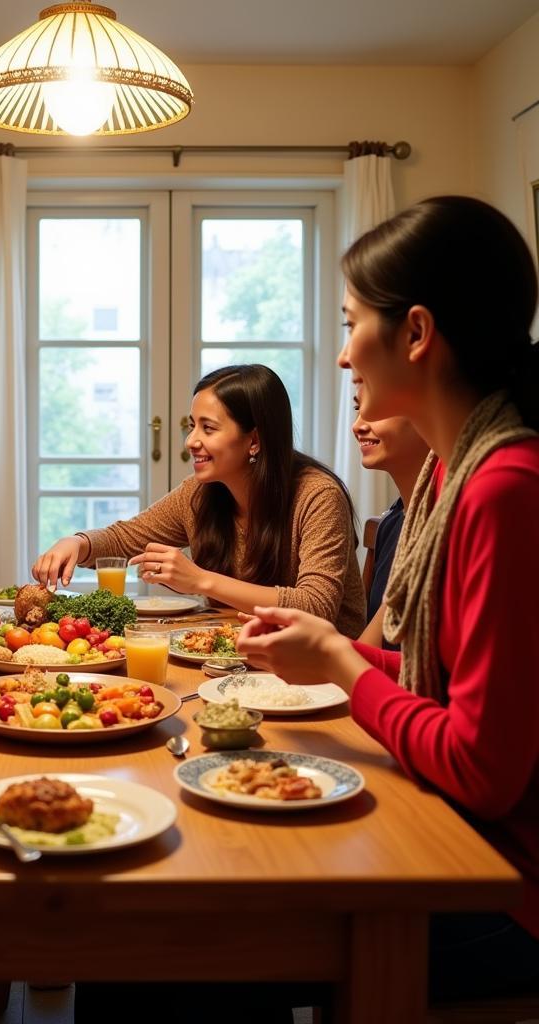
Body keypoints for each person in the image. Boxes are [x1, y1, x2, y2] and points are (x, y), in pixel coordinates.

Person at [239, 195, 539, 1003]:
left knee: (223, 932)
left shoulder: (504, 488)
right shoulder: (451, 472)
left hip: (510, 888)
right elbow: (428, 675)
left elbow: (482, 770)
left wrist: (339, 660)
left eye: (348, 325)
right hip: (453, 830)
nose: (342, 358)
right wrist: (330, 654)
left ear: (415, 333)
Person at [33, 363, 366, 637]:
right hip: (242, 657)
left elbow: (315, 605)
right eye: (193, 426)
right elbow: (125, 538)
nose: (191, 440)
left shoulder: (317, 496)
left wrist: (200, 580)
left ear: (254, 440)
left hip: (323, 674)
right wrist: (77, 543)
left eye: (209, 428)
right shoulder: (200, 493)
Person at [351, 395, 429, 648]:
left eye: (378, 409)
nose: (357, 425)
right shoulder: (392, 522)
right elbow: (373, 650)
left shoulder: (444, 528)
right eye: (357, 408)